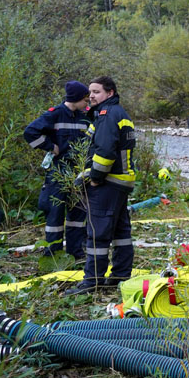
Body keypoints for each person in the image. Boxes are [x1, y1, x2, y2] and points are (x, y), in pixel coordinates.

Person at [66, 76, 136, 296]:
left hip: (108, 183)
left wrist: (95, 177)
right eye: (90, 92)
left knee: (97, 232)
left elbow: (105, 151)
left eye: (97, 91)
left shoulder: (107, 115)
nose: (92, 96)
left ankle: (92, 280)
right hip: (121, 182)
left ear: (110, 93)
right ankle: (120, 276)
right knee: (120, 231)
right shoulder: (118, 113)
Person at [24, 81, 91, 260]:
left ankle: (75, 253)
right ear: (76, 98)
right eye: (85, 99)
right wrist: (49, 146)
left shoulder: (85, 116)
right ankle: (52, 254)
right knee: (55, 213)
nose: (87, 103)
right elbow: (30, 132)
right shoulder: (55, 115)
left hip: (78, 172)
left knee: (78, 213)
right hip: (58, 172)